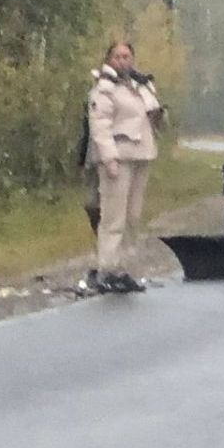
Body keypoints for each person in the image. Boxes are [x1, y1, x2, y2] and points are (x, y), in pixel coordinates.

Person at [85, 42, 163, 293]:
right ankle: (107, 268)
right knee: (113, 217)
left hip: (141, 154)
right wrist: (109, 159)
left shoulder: (139, 84)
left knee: (133, 217)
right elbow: (100, 125)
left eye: (127, 56)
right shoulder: (104, 88)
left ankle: (124, 269)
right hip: (118, 155)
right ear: (109, 59)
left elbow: (151, 115)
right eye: (117, 56)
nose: (123, 60)